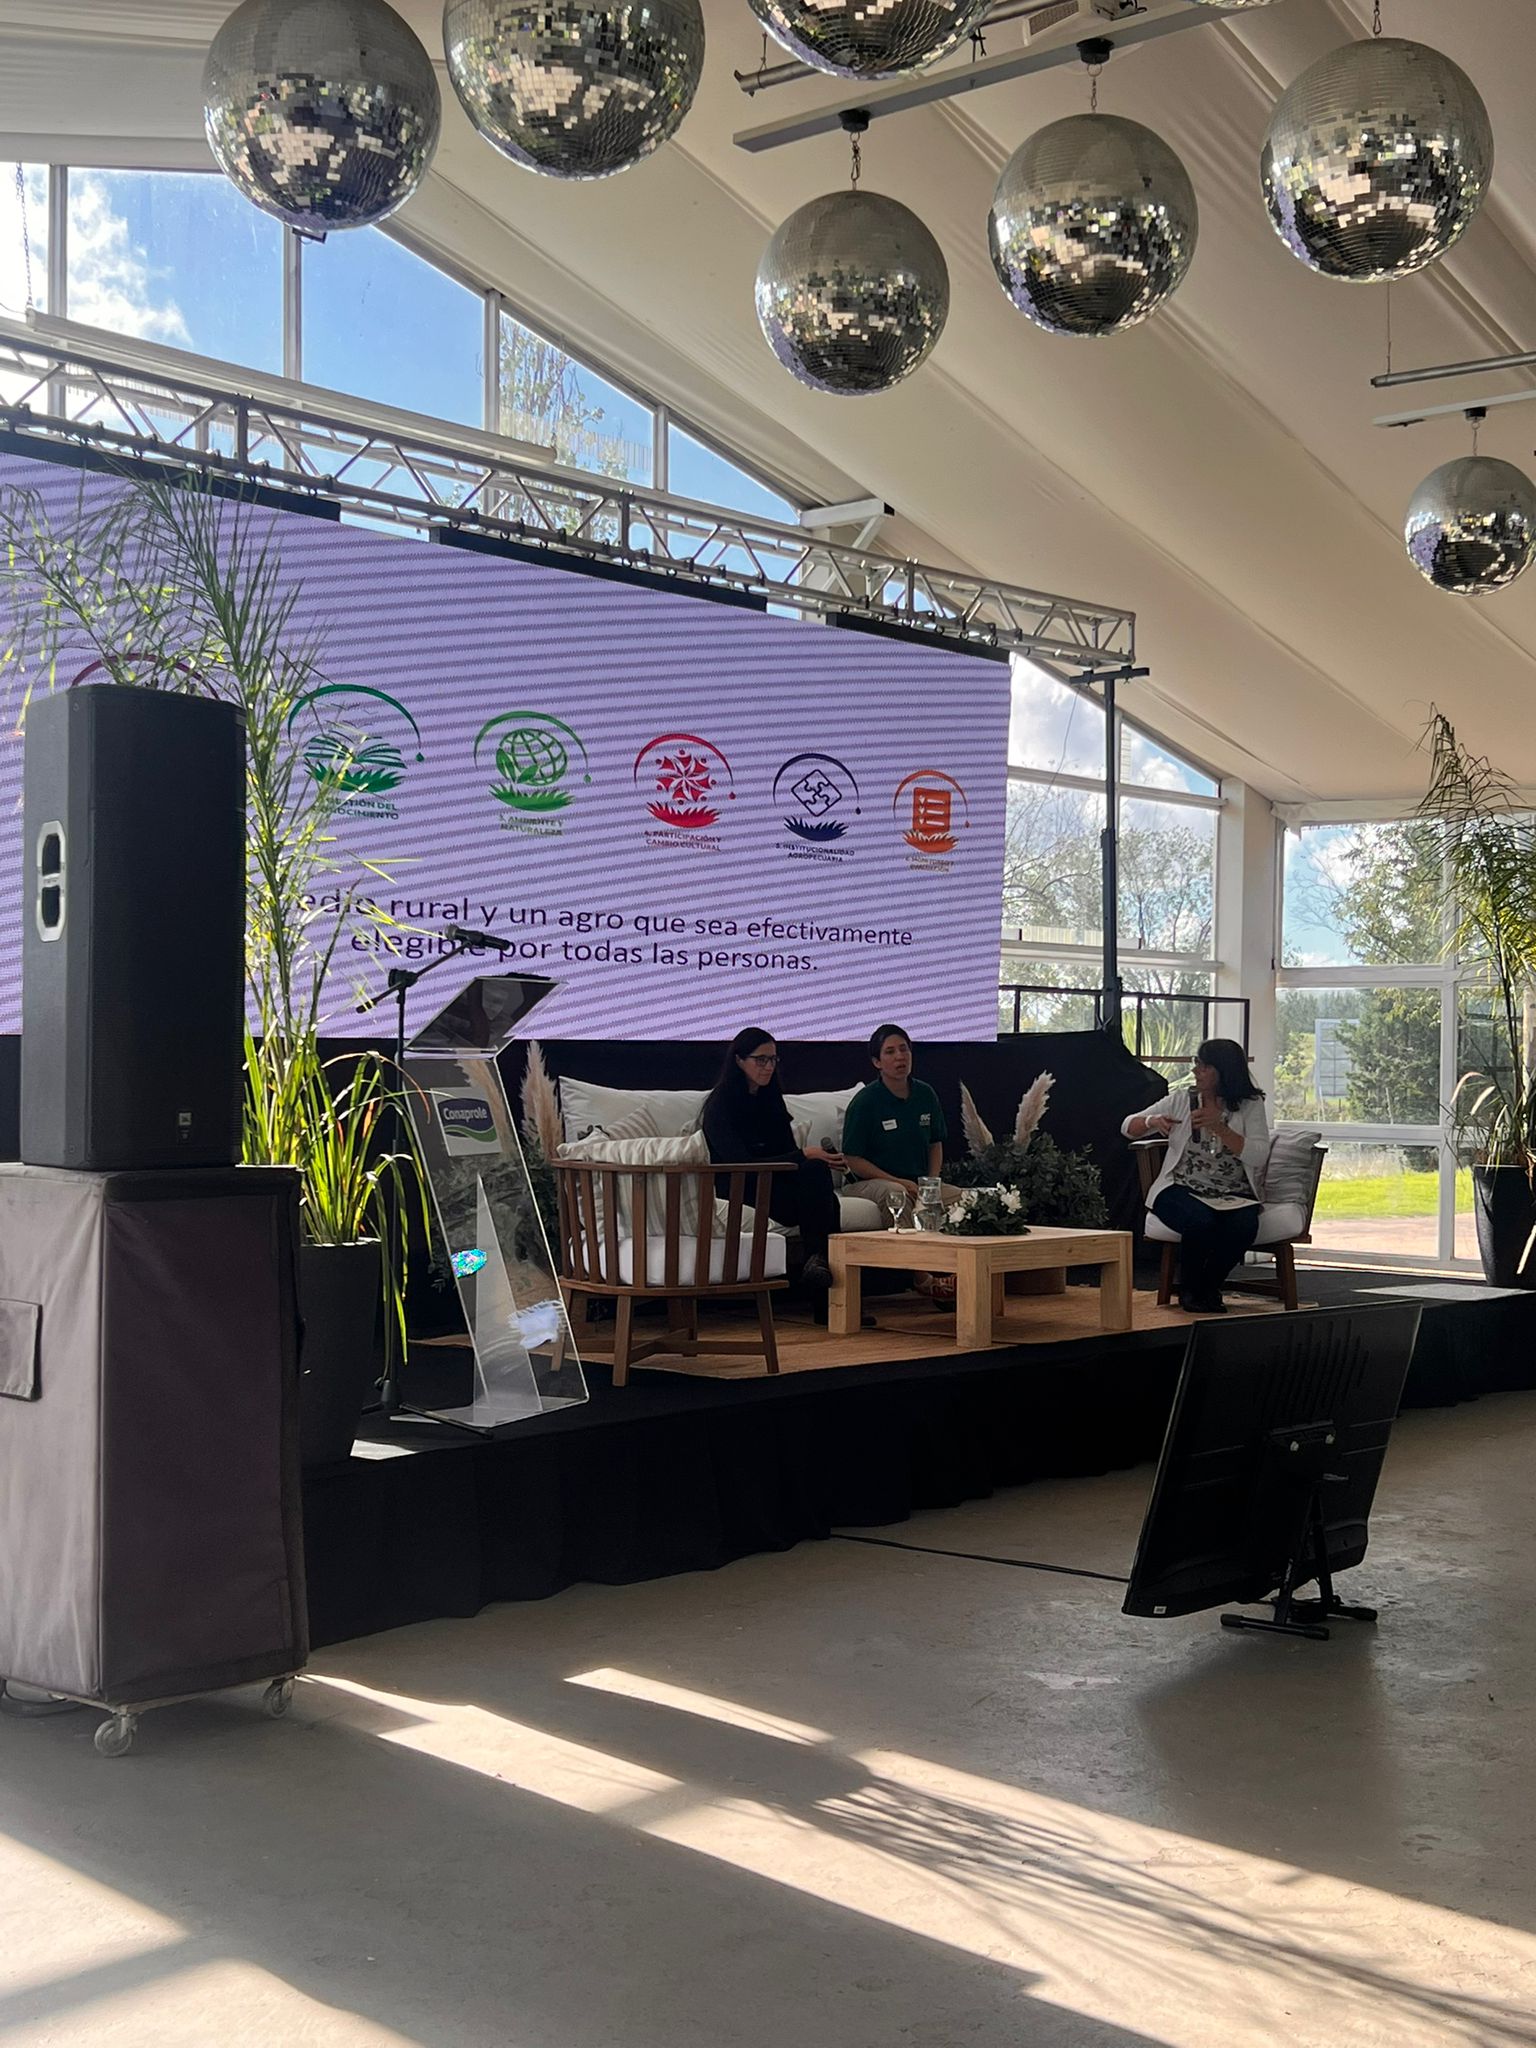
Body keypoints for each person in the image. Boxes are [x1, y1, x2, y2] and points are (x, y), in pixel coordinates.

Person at [1122, 1038, 1270, 1315]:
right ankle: (1191, 1291)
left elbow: (1259, 1155)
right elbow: (1127, 1126)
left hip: (1232, 1192)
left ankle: (1209, 1288)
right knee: (1199, 1221)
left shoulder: (1249, 1105)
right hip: (1180, 1187)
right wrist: (1152, 1121)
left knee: (1244, 1227)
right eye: (1196, 1064)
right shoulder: (1182, 1099)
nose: (1195, 1071)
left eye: (1203, 1065)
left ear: (1223, 1071)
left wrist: (1220, 1128)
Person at [702, 1028, 843, 1293]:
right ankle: (824, 1287)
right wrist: (803, 1154)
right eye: (761, 1060)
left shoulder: (771, 1099)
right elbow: (740, 1163)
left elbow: (787, 1152)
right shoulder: (720, 1105)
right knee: (822, 1198)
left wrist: (805, 1157)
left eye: (773, 1059)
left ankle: (818, 1267)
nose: (768, 1067)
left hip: (774, 1183)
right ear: (739, 1060)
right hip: (739, 1186)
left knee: (819, 1182)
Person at [840, 1023, 962, 1228]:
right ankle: (904, 1248)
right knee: (897, 1193)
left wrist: (930, 1184)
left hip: (917, 1182)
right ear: (877, 1062)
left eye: (904, 1049)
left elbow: (935, 1143)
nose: (900, 1056)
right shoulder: (865, 1102)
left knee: (962, 1199)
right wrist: (898, 1181)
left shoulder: (925, 1094)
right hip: (869, 1183)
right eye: (890, 1052)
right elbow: (852, 1159)